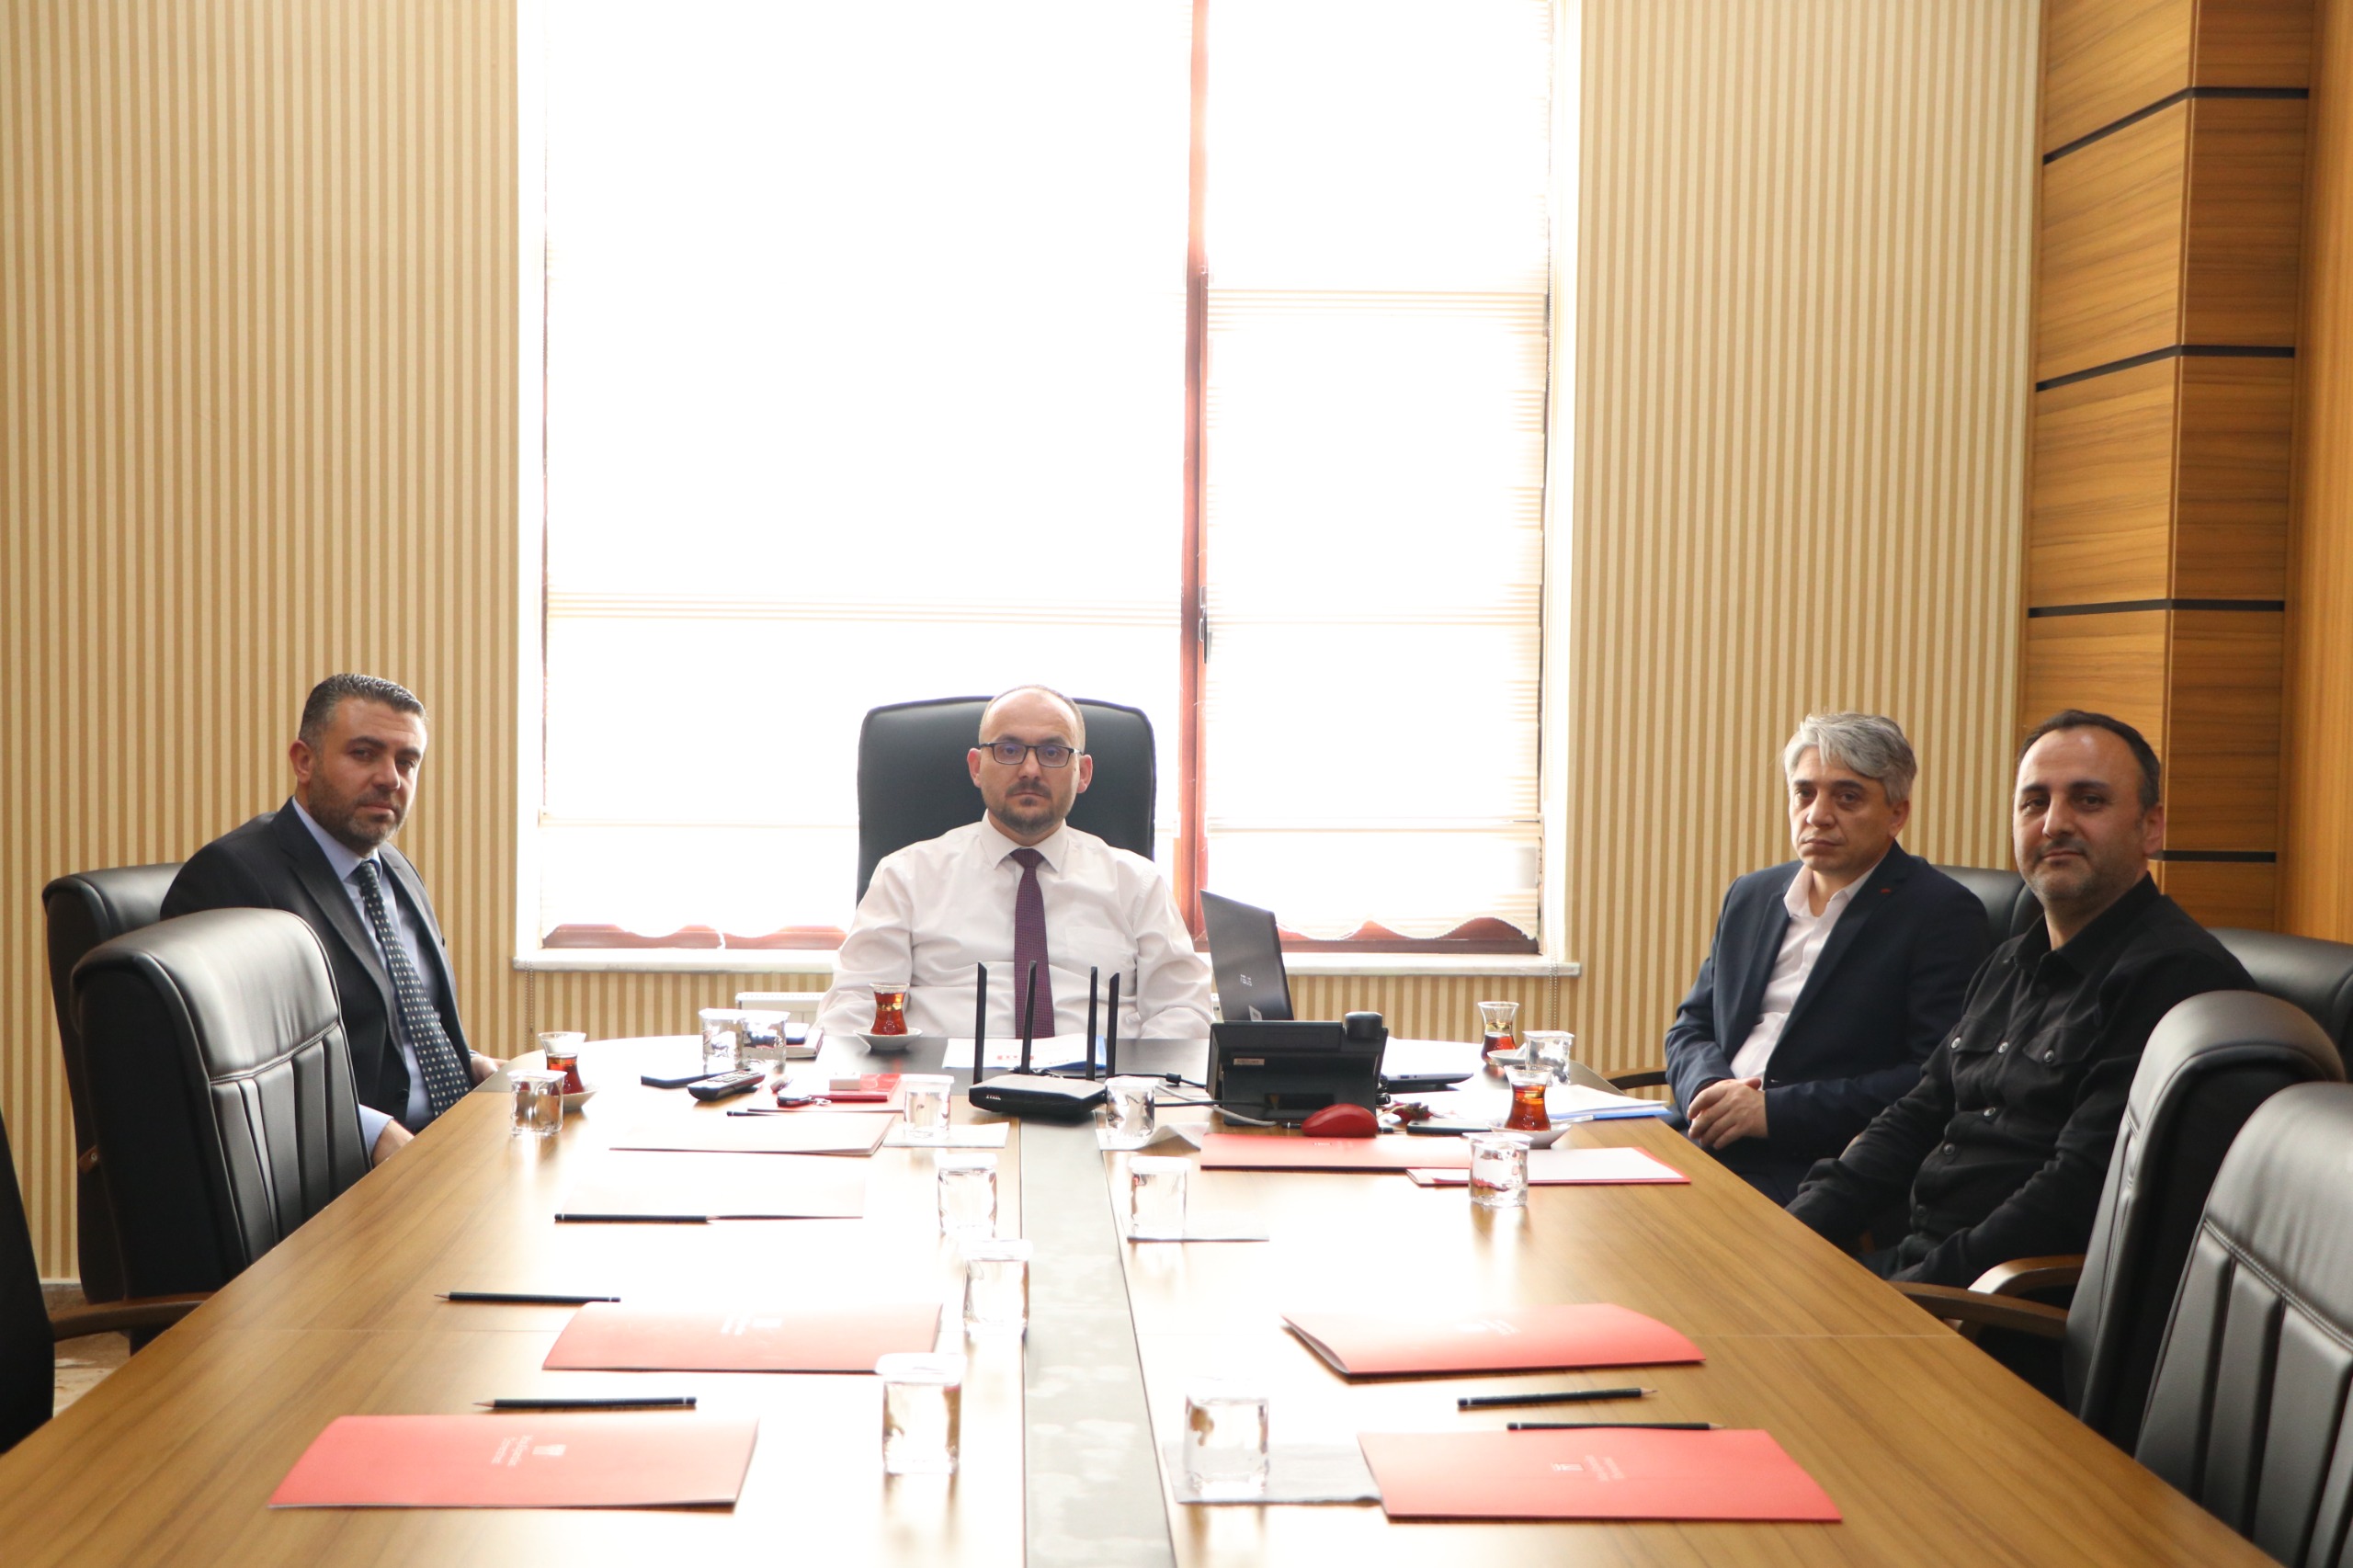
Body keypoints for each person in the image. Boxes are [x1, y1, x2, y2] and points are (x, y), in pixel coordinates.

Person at [1786, 710, 2252, 1287]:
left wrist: (1909, 1294)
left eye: (2089, 801)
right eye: (2034, 803)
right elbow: (1916, 1115)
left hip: (1995, 1304)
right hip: (1920, 1271)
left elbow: (2073, 1196)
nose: (2055, 824)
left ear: (2151, 828)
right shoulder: (2010, 960)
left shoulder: (2175, 978)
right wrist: (1791, 1232)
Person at [165, 675, 492, 1165]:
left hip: (450, 1146)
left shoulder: (393, 867)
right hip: (338, 1176)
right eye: (364, 754)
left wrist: (474, 1066)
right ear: (304, 761)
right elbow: (222, 1076)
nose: (390, 778)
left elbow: (398, 1029)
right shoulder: (232, 877)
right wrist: (370, 1133)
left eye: (407, 761)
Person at [1663, 712, 1988, 1202]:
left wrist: (1770, 1112)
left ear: (1897, 814)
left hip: (1811, 1165)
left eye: (1847, 797)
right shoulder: (1752, 895)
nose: (1817, 815)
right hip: (1703, 1135)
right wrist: (1710, 1092)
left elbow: (1931, 1080)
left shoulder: (1940, 913)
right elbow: (1691, 1026)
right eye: (1804, 793)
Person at [820, 686, 1211, 1043]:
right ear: (976, 767)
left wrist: (1134, 1085)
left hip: (1099, 1089)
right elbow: (854, 1009)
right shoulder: (906, 877)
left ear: (1083, 774)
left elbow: (1182, 1010)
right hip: (946, 1089)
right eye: (1008, 750)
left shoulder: (1137, 884)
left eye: (1053, 753)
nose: (1030, 770)